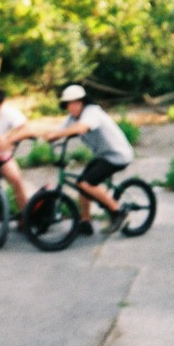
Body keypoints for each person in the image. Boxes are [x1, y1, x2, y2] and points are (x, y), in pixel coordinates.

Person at [44, 84, 133, 235]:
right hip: (103, 156)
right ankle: (86, 222)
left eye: (76, 102)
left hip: (118, 155)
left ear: (83, 102)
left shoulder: (92, 112)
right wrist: (49, 136)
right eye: (69, 103)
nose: (72, 106)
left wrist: (57, 135)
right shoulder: (72, 118)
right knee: (81, 183)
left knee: (86, 183)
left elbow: (81, 128)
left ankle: (118, 212)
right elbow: (60, 131)